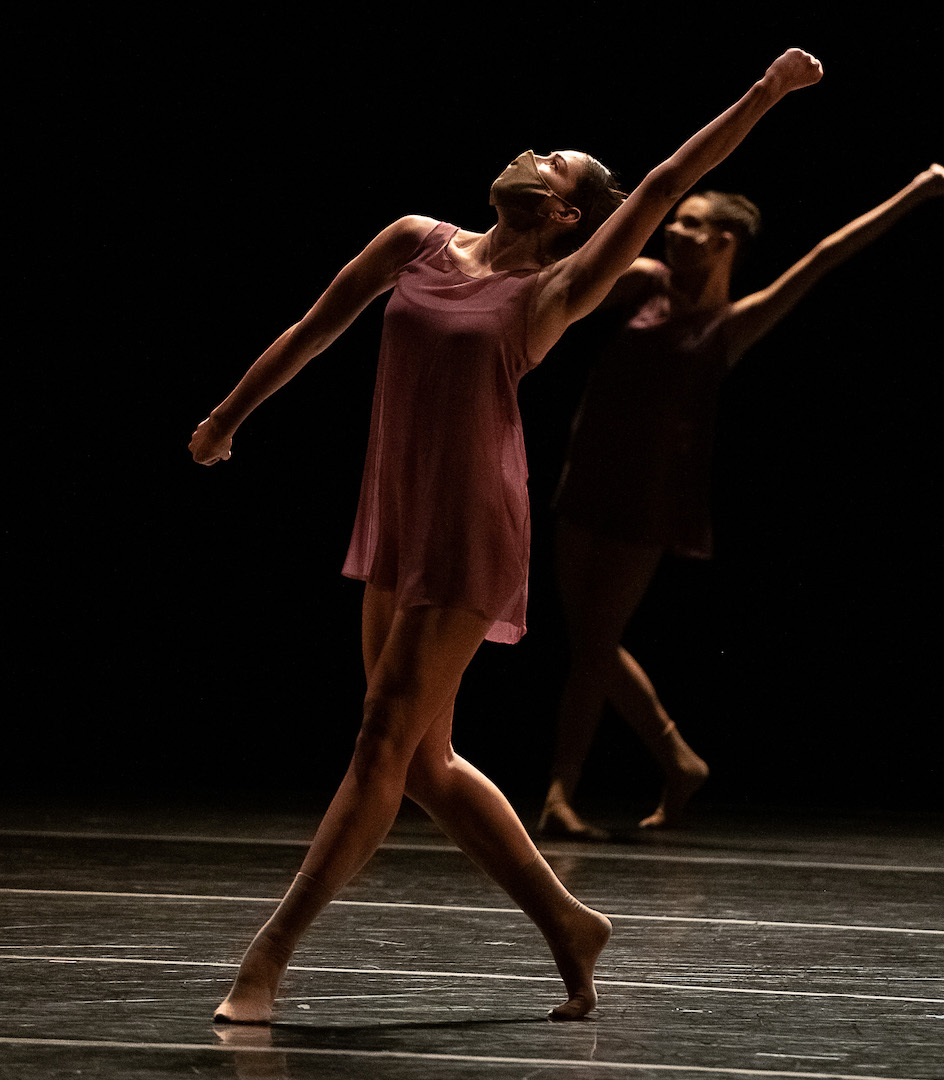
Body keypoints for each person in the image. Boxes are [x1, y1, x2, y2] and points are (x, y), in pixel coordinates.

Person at [188, 47, 824, 1023]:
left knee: (380, 745)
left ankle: (265, 964)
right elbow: (317, 326)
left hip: (473, 527)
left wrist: (764, 94)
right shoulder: (415, 239)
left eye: (559, 165)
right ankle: (570, 924)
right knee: (426, 764)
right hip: (398, 516)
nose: (536, 159)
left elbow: (659, 183)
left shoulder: (554, 292)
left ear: (571, 214)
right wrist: (231, 415)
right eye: (539, 151)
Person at [539, 165, 944, 840]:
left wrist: (916, 191)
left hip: (647, 499)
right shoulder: (645, 282)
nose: (675, 230)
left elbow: (825, 256)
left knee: (595, 642)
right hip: (586, 475)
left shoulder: (732, 326)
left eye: (693, 224)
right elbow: (568, 283)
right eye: (676, 221)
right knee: (591, 640)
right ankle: (671, 762)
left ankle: (571, 789)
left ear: (726, 241)